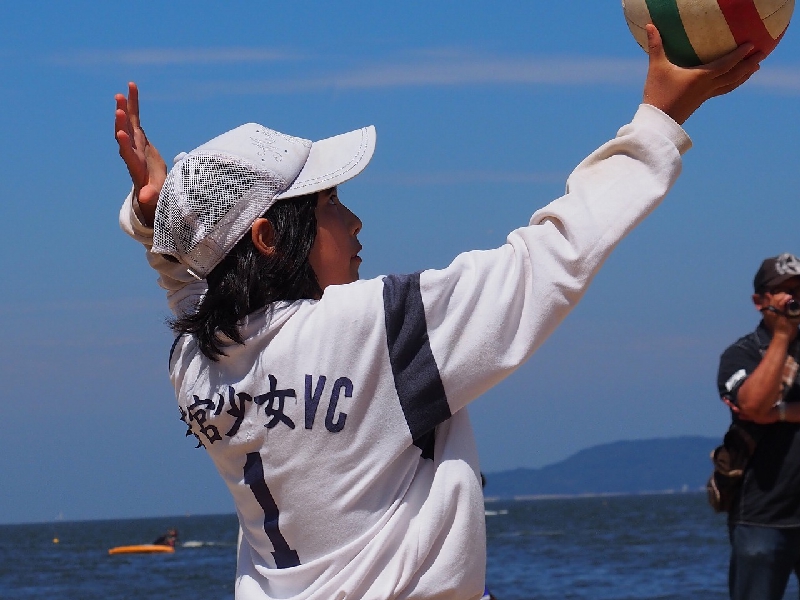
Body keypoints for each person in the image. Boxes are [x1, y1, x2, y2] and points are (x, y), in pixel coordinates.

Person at [116, 25, 761, 600]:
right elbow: (548, 261)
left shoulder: (193, 362)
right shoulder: (372, 329)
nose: (354, 221)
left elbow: (191, 284)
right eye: (330, 203)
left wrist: (161, 219)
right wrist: (658, 121)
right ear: (267, 238)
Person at [717, 253, 800, 600]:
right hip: (762, 516)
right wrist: (781, 338)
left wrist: (782, 414)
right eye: (784, 290)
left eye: (799, 289)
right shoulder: (741, 354)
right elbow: (753, 404)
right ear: (759, 301)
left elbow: (766, 411)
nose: (794, 298)